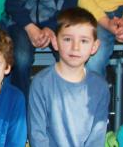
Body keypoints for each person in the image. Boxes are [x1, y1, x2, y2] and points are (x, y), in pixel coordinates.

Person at [27, 8, 109, 147]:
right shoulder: (41, 83)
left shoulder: (100, 87)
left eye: (84, 41)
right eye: (67, 39)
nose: (75, 47)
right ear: (55, 42)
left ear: (94, 47)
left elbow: (97, 137)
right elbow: (37, 134)